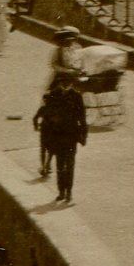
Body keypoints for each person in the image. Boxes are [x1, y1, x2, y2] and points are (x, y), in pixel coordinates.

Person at [35, 73, 88, 202]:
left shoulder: (77, 96)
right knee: (60, 165)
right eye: (64, 82)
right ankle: (61, 191)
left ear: (71, 83)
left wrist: (84, 136)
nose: (66, 85)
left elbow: (82, 118)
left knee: (69, 165)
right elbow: (47, 115)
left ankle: (68, 191)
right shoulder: (54, 94)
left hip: (71, 136)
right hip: (57, 135)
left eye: (68, 83)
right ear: (59, 83)